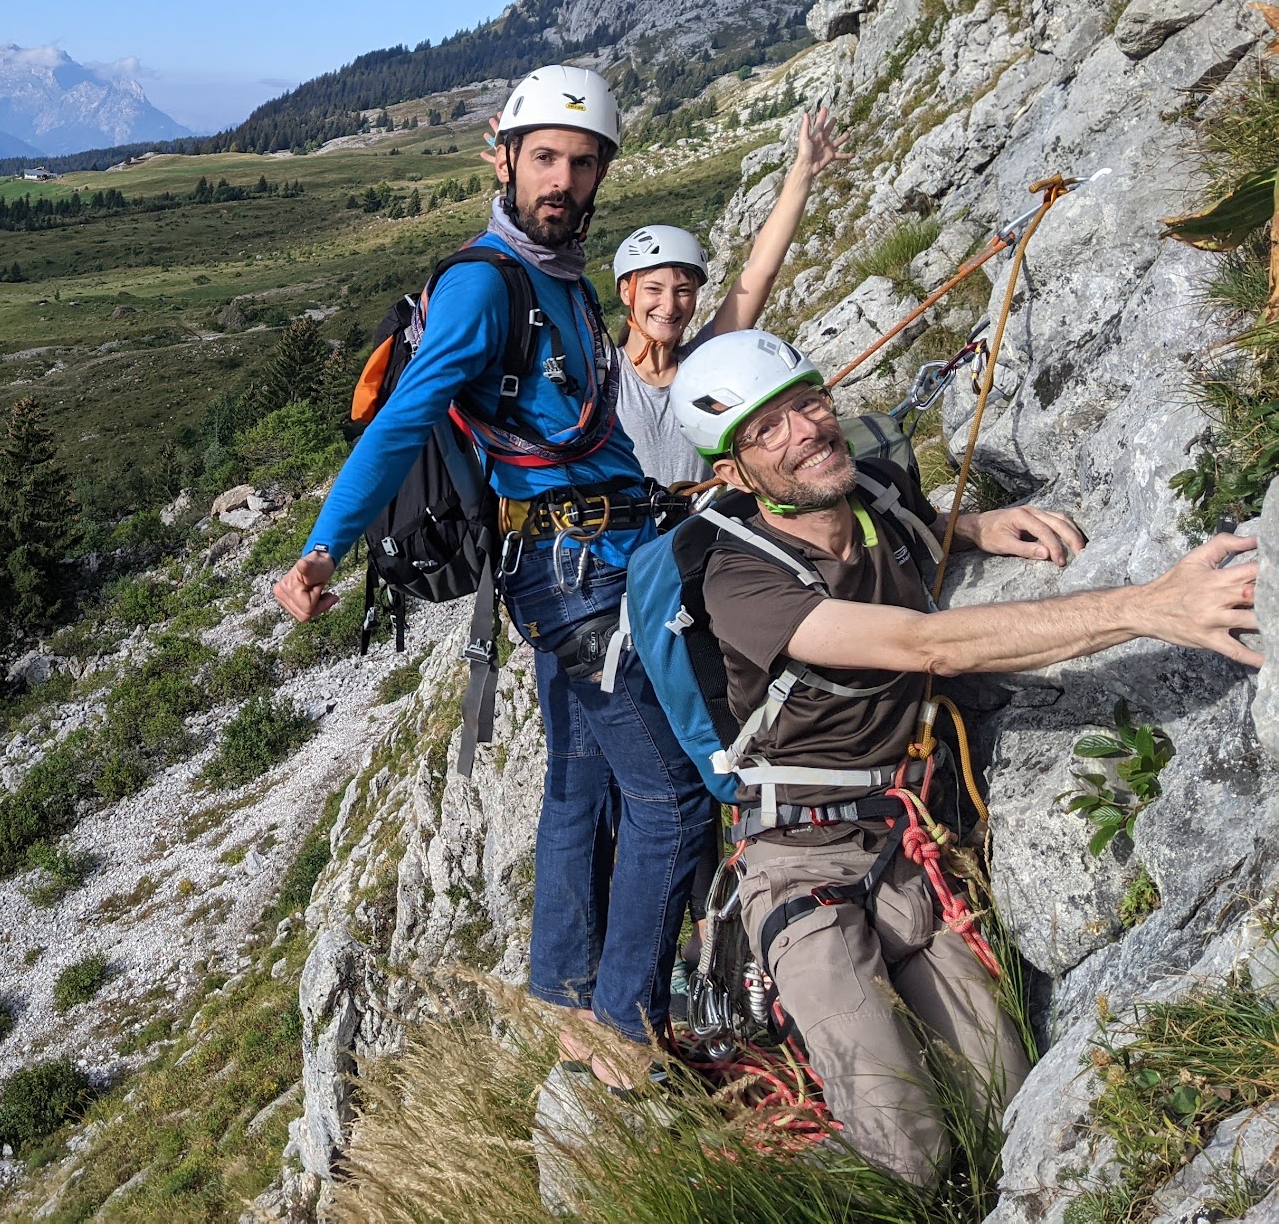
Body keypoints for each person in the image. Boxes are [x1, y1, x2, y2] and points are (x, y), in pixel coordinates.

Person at [672, 328, 1261, 1185]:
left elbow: (912, 527)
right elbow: (926, 644)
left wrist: (978, 525)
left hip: (904, 852)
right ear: (733, 474)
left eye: (806, 401)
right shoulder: (744, 584)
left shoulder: (876, 492)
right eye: (766, 430)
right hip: (796, 862)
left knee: (1004, 1108)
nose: (804, 429)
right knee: (909, 1150)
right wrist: (1149, 607)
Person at [273, 64, 712, 1087]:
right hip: (576, 574)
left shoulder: (560, 276)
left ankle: (563, 997)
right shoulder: (484, 284)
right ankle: (622, 1031)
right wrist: (322, 545)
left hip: (586, 555)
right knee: (675, 801)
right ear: (502, 156)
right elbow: (404, 421)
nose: (561, 179)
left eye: (581, 162)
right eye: (545, 158)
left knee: (578, 787)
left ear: (599, 175)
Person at [610, 106, 851, 488]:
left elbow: (759, 272)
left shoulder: (704, 364)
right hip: (629, 540)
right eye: (653, 290)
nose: (669, 306)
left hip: (702, 536)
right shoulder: (601, 375)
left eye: (683, 291)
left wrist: (804, 169)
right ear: (627, 292)